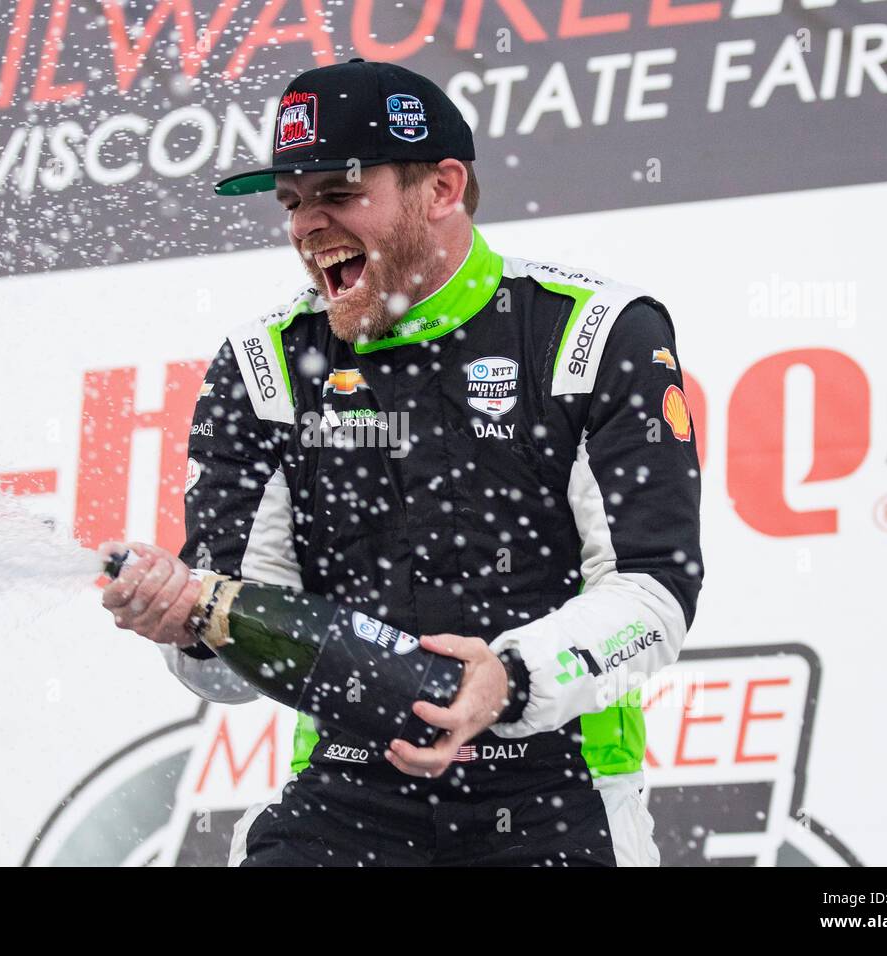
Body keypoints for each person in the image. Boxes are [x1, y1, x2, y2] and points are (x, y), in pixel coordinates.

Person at [100, 57, 702, 867]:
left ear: (443, 188)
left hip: (557, 795)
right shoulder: (263, 366)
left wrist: (510, 682)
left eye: (339, 195)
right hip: (343, 799)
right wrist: (190, 629)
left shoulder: (593, 333)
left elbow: (655, 595)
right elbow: (230, 672)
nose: (306, 227)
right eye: (292, 202)